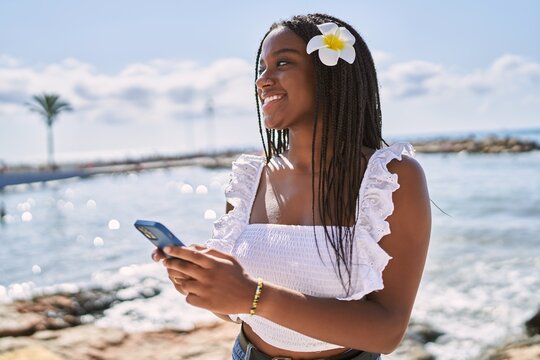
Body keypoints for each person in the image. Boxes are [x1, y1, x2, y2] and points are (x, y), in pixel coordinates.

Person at [153, 13, 431, 360]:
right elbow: (235, 310)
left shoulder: (388, 179)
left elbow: (387, 331)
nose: (263, 81)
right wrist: (206, 285)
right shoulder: (250, 178)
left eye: (282, 63)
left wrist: (254, 296)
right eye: (261, 68)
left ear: (331, 75)